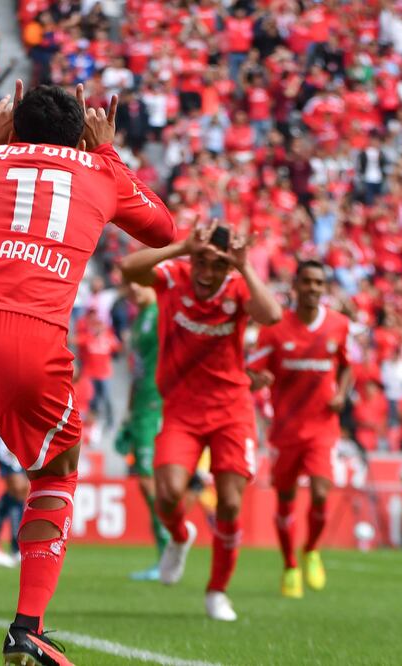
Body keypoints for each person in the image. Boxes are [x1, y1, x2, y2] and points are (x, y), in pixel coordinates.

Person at [0, 80, 175, 666]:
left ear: (12, 126)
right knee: (56, 471)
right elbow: (163, 230)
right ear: (80, 133)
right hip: (25, 336)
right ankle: (27, 628)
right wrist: (106, 153)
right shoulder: (96, 170)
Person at [119, 220, 283, 622]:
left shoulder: (238, 285)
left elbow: (273, 314)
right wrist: (178, 248)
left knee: (229, 502)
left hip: (231, 410)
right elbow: (128, 269)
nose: (207, 273)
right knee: (169, 495)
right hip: (181, 408)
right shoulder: (174, 275)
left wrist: (244, 267)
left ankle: (217, 591)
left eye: (217, 266)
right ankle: (179, 536)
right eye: (201, 262)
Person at [246, 260, 352, 599]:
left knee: (321, 493)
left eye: (319, 282)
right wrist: (257, 379)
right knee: (286, 499)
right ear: (296, 285)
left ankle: (311, 549)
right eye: (307, 282)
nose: (313, 288)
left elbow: (350, 366)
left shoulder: (339, 326)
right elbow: (251, 370)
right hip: (286, 429)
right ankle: (290, 564)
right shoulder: (275, 329)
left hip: (322, 427)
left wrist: (342, 394)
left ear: (324, 287)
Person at [113, 281, 169, 581]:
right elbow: (138, 369)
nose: (133, 287)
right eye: (129, 282)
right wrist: (128, 414)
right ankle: (167, 547)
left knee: (149, 479)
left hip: (158, 403)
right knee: (146, 480)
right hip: (142, 406)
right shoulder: (140, 318)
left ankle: (169, 546)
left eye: (139, 280)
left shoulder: (161, 312)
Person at [0, 424, 28, 569]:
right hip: (1, 429)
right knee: (18, 486)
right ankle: (15, 548)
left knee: (20, 489)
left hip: (14, 428)